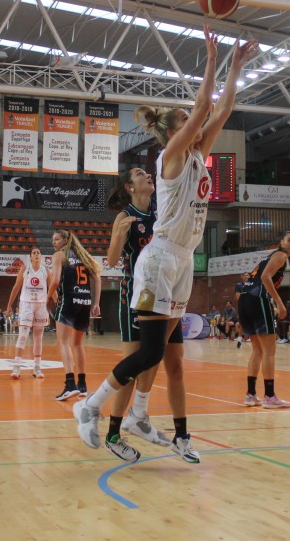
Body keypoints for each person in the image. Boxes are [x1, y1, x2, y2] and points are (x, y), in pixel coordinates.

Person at [74, 26, 259, 464]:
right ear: (177, 129)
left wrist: (236, 66)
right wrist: (213, 61)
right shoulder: (171, 155)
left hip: (183, 262)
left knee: (164, 356)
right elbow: (203, 108)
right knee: (152, 350)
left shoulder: (199, 153)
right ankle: (92, 406)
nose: (198, 117)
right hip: (158, 259)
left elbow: (224, 106)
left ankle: (142, 417)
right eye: (188, 116)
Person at [101, 166, 175, 461]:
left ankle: (138, 416)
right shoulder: (124, 216)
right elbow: (111, 259)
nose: (148, 176)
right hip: (134, 292)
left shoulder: (159, 213)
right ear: (130, 187)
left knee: (154, 359)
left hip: (161, 293)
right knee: (132, 368)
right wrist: (119, 234)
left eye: (148, 173)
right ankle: (113, 434)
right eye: (140, 174)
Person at [239, 230, 290, 408]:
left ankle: (250, 395)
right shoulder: (280, 255)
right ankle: (270, 396)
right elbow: (265, 277)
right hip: (258, 299)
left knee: (257, 350)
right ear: (281, 241)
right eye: (289, 240)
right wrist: (279, 303)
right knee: (269, 351)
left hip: (245, 299)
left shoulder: (273, 256)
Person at [49, 229, 101, 401]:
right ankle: (83, 385)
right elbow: (98, 277)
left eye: (56, 239)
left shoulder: (59, 255)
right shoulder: (83, 256)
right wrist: (96, 303)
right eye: (53, 240)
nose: (53, 243)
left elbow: (56, 281)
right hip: (85, 302)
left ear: (64, 240)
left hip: (69, 301)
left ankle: (70, 384)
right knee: (78, 344)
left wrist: (47, 297)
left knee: (63, 343)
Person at [5, 247, 50, 380]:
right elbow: (16, 288)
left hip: (41, 305)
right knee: (23, 335)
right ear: (30, 257)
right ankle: (17, 366)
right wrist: (9, 306)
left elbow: (53, 288)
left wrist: (59, 304)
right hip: (26, 304)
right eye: (34, 253)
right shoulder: (25, 270)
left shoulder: (46, 271)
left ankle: (37, 368)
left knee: (38, 337)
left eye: (38, 253)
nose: (37, 254)